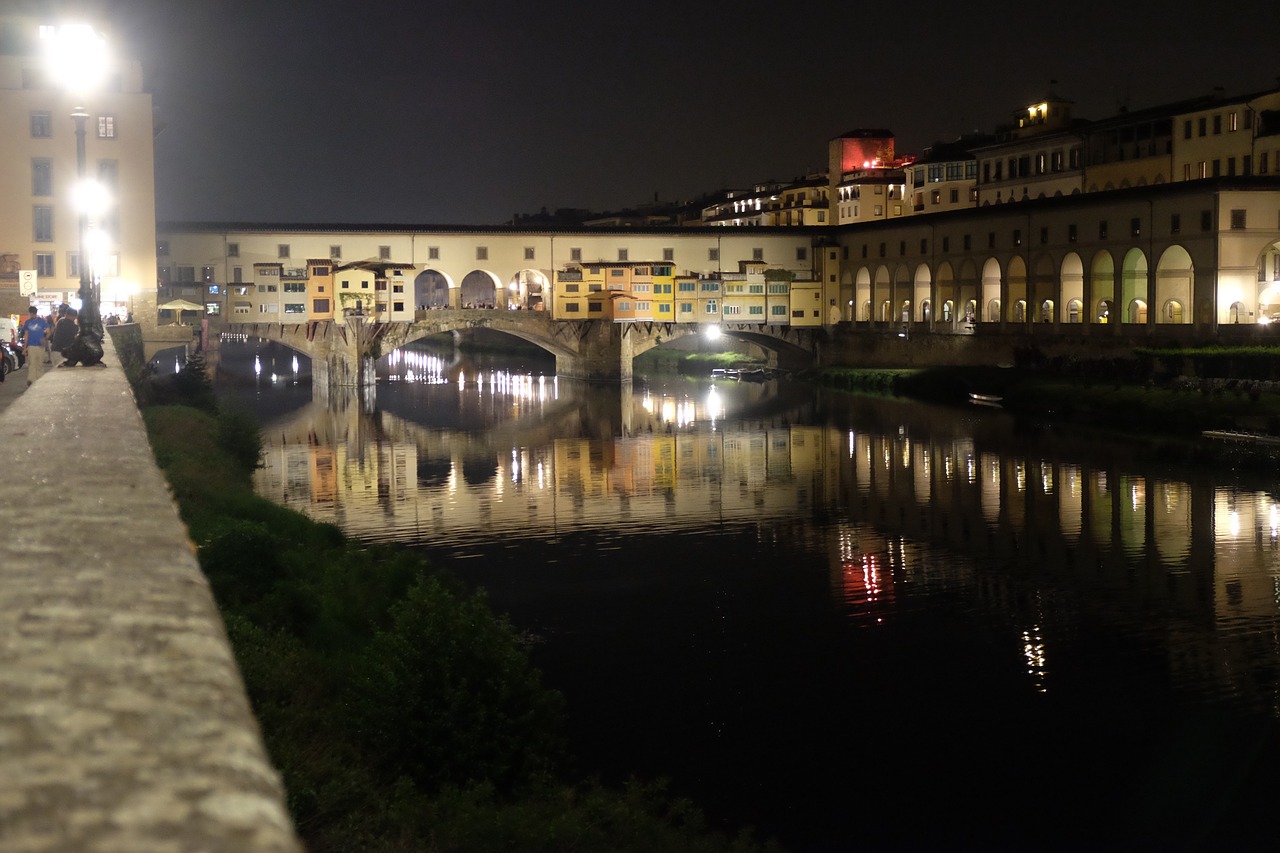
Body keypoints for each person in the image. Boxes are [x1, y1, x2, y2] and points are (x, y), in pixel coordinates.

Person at [18, 306, 48, 386]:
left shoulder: (28, 322)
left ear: (30, 313)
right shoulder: (42, 321)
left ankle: (32, 381)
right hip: (40, 346)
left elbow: (26, 335)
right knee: (39, 365)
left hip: (32, 346)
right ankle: (38, 381)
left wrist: (25, 347)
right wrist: (45, 339)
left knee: (33, 364)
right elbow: (49, 331)